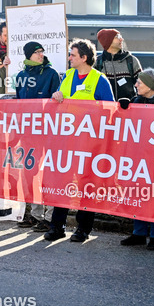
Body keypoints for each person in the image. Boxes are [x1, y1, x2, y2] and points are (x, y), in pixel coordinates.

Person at [47, 38, 114, 242]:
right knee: (62, 182)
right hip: (67, 141)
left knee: (87, 185)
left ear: (84, 58)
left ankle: (83, 229)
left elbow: (110, 111)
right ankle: (56, 226)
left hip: (89, 143)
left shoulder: (99, 80)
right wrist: (57, 96)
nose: (69, 58)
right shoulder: (67, 76)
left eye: (72, 55)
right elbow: (60, 101)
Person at [13, 41, 61, 231]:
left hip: (46, 133)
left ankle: (49, 217)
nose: (41, 54)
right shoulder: (21, 76)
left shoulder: (51, 74)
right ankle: (33, 214)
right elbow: (18, 103)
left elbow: (56, 103)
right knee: (29, 173)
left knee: (47, 174)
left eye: (42, 51)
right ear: (28, 55)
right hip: (27, 134)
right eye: (37, 52)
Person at [120, 69, 154, 250]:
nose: (136, 85)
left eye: (139, 83)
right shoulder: (136, 101)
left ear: (150, 85)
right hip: (138, 156)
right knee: (137, 193)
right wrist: (124, 109)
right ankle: (139, 233)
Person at [95, 28, 143, 101]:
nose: (122, 39)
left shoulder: (131, 61)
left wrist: (134, 101)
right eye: (118, 37)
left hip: (128, 110)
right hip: (103, 110)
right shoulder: (96, 63)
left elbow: (142, 87)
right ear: (108, 41)